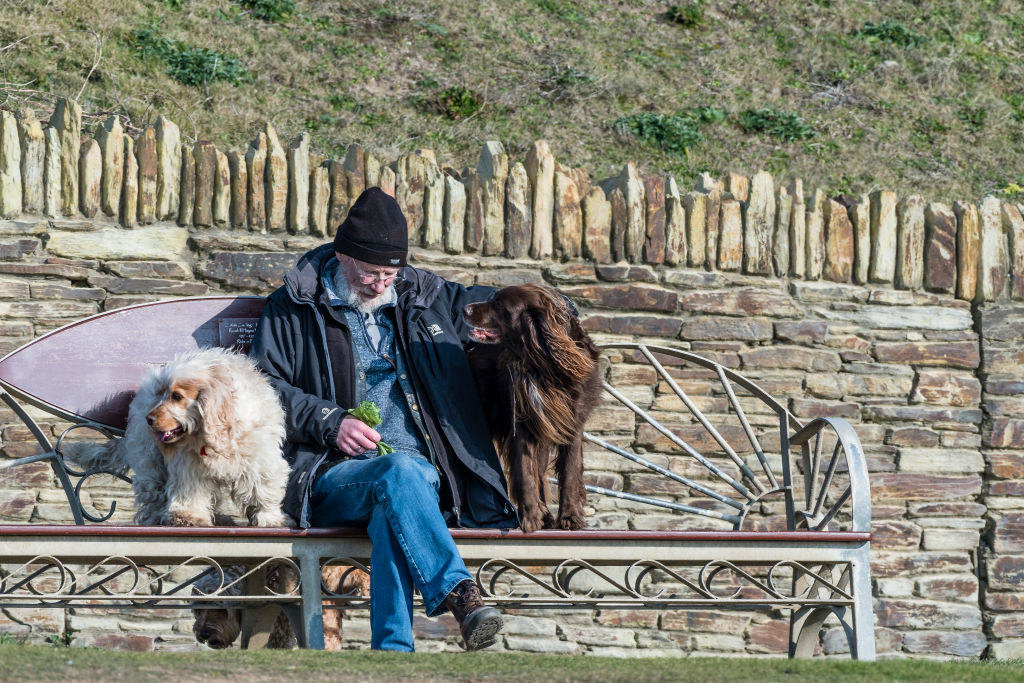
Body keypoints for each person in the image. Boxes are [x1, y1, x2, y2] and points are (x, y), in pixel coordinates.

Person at [250, 187, 516, 652]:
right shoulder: (293, 306)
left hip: (424, 480)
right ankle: (460, 594)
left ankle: (392, 654)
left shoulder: (425, 297)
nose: (380, 285)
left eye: (390, 274)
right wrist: (331, 421)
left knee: (396, 497)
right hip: (330, 475)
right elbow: (264, 387)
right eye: (371, 273)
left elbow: (501, 304)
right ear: (342, 256)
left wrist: (556, 309)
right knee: (398, 475)